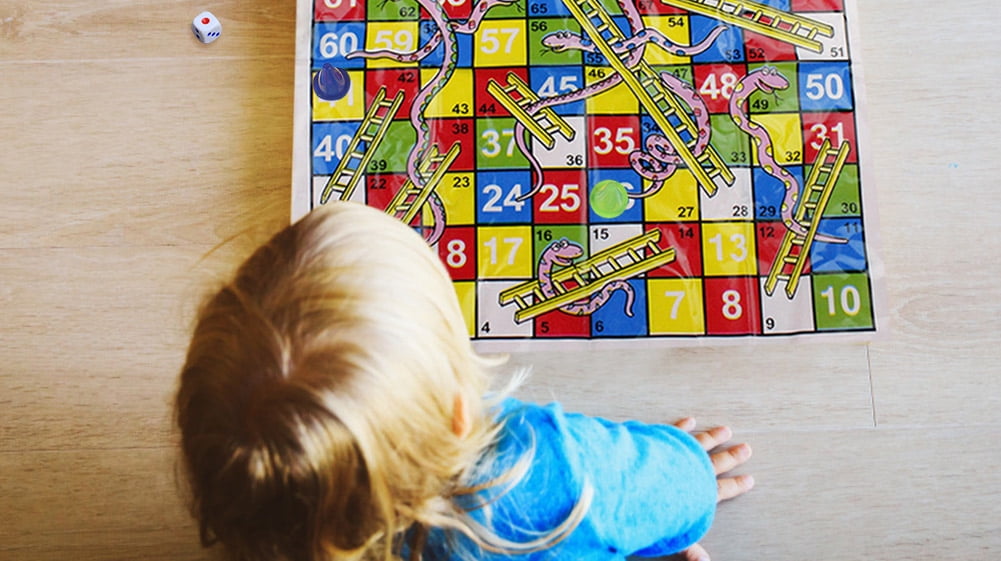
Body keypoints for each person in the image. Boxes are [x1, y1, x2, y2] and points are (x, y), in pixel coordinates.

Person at [176, 202, 752, 561]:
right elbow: (673, 493)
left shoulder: (260, 509)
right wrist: (687, 468)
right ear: (459, 417)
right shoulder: (547, 468)